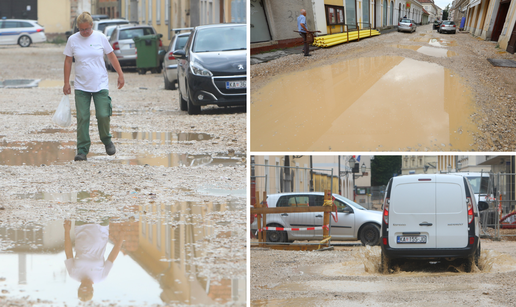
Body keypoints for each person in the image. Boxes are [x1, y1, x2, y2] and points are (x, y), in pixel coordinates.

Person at [63, 12, 125, 162]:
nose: (84, 32)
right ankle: (82, 150)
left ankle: (106, 139)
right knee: (83, 118)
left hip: (100, 84)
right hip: (81, 86)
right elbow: (68, 61)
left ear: (92, 26)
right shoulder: (73, 40)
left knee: (103, 114)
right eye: (81, 29)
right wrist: (66, 82)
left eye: (87, 29)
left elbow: (111, 56)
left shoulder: (100, 37)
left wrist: (120, 74)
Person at [64, 220, 125, 302]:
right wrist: (120, 240)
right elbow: (111, 257)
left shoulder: (73, 274)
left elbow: (68, 253)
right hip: (101, 227)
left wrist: (67, 231)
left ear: (79, 287)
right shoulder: (101, 276)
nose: (85, 284)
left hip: (81, 226)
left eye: (82, 286)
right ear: (92, 289)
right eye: (87, 287)